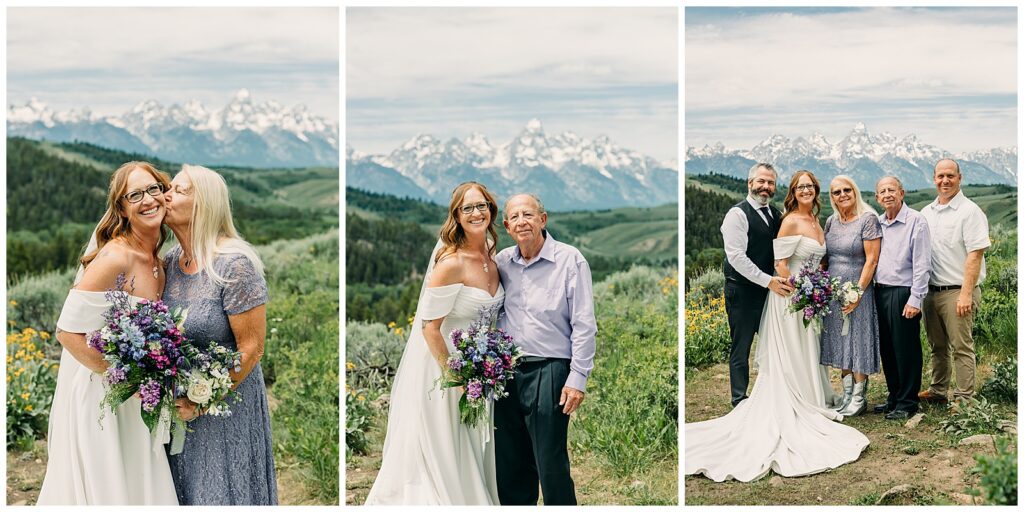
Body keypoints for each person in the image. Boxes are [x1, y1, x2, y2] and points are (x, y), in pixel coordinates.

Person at [685, 170, 868, 482]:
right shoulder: (783, 219)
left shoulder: (812, 220)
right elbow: (780, 264)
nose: (805, 190)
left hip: (808, 299)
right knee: (762, 350)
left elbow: (816, 260)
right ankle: (749, 399)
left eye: (810, 186)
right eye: (800, 187)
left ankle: (812, 397)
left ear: (816, 190)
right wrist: (798, 289)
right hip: (789, 297)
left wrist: (818, 288)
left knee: (808, 352)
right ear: (793, 191)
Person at [38, 161, 178, 505]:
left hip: (136, 398)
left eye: (153, 189)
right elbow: (66, 332)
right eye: (135, 195)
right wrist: (125, 382)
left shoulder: (159, 260)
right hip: (104, 396)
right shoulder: (116, 256)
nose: (148, 200)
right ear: (122, 208)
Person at [366, 181, 503, 505]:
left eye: (481, 205)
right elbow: (429, 329)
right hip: (446, 369)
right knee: (445, 449)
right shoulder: (450, 264)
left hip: (480, 369)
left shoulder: (491, 254)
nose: (476, 212)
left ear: (491, 209)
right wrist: (456, 377)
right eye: (467, 207)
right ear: (456, 215)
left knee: (470, 445)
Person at [161, 164, 276, 505]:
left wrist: (202, 399)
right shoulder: (170, 261)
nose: (166, 196)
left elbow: (252, 348)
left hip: (227, 407)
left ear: (205, 205)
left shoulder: (234, 265)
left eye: (180, 190)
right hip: (178, 407)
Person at [495, 193, 596, 505]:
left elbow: (584, 323)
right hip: (507, 372)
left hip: (550, 369)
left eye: (529, 214)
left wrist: (577, 377)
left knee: (550, 463)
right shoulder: (502, 263)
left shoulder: (570, 260)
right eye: (515, 217)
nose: (522, 221)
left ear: (543, 219)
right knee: (509, 463)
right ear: (507, 226)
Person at [720, 162, 794, 407]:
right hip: (741, 291)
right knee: (741, 346)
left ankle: (775, 393)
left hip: (769, 292)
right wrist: (768, 281)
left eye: (770, 183)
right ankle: (739, 398)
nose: (766, 187)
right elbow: (737, 257)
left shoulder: (774, 214)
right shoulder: (737, 215)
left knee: (775, 342)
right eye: (761, 181)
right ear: (750, 183)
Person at [919, 159, 989, 404]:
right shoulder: (927, 212)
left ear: (960, 177)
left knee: (961, 347)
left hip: (958, 291)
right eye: (940, 176)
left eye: (950, 175)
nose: (945, 181)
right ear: (934, 178)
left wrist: (966, 294)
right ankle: (938, 391)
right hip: (931, 291)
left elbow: (975, 255)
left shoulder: (970, 211)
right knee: (937, 345)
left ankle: (963, 397)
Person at [820, 175, 881, 417]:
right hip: (834, 292)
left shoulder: (868, 220)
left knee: (858, 341)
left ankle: (859, 397)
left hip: (859, 291)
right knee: (840, 341)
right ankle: (845, 395)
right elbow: (826, 259)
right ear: (832, 197)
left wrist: (857, 292)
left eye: (847, 190)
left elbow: (872, 260)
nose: (842, 195)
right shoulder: (830, 222)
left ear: (855, 192)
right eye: (836, 192)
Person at [873, 176, 931, 420]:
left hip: (903, 292)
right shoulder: (877, 223)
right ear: (877, 197)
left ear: (902, 193)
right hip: (880, 291)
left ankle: (908, 403)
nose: (887, 194)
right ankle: (894, 396)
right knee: (887, 348)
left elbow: (922, 264)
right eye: (882, 191)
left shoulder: (916, 221)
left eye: (892, 190)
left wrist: (915, 299)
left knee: (905, 349)